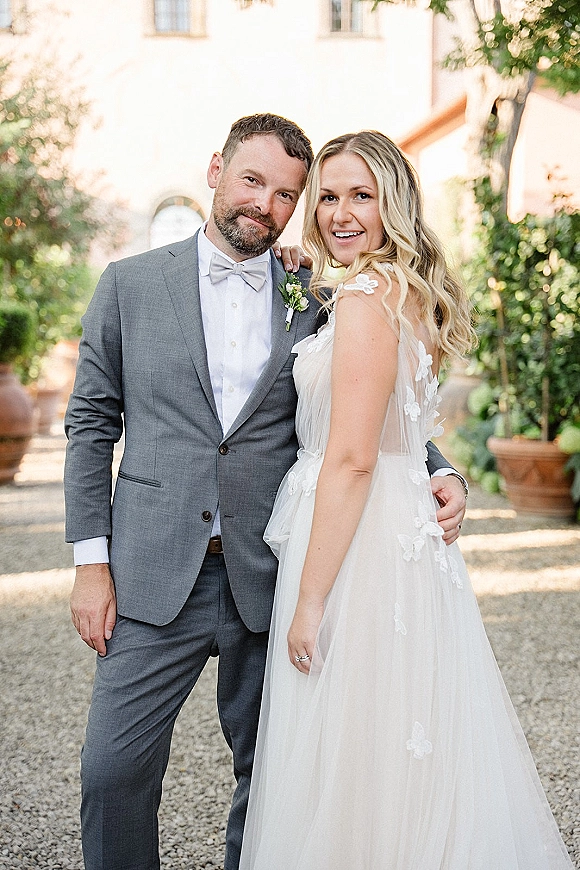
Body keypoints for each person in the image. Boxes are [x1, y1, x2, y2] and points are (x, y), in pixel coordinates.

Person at [64, 114, 467, 870]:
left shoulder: (318, 290)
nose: (266, 205)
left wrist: (440, 467)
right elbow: (89, 425)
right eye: (253, 181)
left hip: (274, 569)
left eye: (287, 194)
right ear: (215, 169)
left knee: (277, 772)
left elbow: (366, 404)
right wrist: (92, 560)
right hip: (150, 569)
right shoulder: (129, 284)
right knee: (111, 770)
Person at [239, 131, 574, 869]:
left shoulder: (365, 298)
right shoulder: (396, 291)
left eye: (362, 195)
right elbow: (399, 430)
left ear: (395, 202)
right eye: (327, 196)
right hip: (398, 529)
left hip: (354, 545)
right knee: (398, 738)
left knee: (352, 744)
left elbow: (355, 459)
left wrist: (311, 600)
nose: (339, 212)